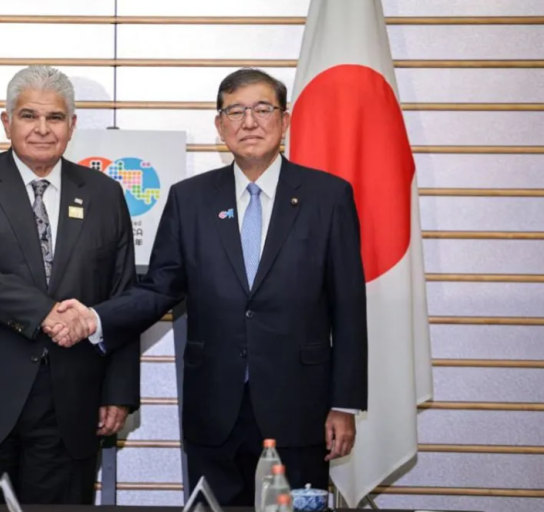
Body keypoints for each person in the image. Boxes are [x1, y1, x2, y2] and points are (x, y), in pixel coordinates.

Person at [47, 68, 368, 505]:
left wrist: (344, 404)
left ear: (285, 120)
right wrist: (94, 317)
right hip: (215, 407)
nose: (249, 122)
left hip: (300, 405)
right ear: (220, 125)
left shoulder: (327, 197)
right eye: (235, 111)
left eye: (262, 109)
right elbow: (159, 288)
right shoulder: (190, 198)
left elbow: (349, 307)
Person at [0, 65, 140, 505]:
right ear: (7, 122)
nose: (42, 128)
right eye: (28, 115)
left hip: (72, 399)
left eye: (55, 117)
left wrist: (118, 391)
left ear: (72, 125)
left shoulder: (104, 194)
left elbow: (123, 295)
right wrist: (45, 313)